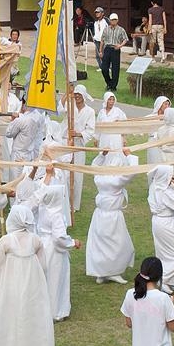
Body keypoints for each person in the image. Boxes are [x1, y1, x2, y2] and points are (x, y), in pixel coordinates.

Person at [0, 205, 56, 346]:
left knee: (11, 318)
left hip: (10, 285)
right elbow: (43, 265)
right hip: (32, 284)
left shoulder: (5, 241)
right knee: (32, 317)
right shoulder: (35, 240)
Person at [87, 148, 138, 284]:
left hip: (100, 215)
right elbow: (132, 171)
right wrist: (129, 155)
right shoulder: (116, 181)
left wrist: (101, 155)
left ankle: (104, 272)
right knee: (117, 243)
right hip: (111, 216)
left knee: (103, 244)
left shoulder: (99, 177)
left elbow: (94, 166)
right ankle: (110, 272)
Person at [37, 166, 81, 321]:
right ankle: (56, 311)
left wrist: (49, 175)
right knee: (56, 279)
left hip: (43, 246)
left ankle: (45, 309)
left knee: (46, 278)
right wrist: (73, 243)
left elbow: (42, 190)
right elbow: (59, 238)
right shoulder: (56, 215)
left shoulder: (43, 207)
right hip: (54, 250)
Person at [121, 256, 174, 346]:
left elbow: (129, 323)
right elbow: (173, 327)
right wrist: (171, 305)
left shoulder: (130, 294)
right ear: (159, 276)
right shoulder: (163, 298)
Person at [147, 165, 174, 293]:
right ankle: (164, 279)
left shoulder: (154, 186)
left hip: (157, 221)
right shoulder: (165, 193)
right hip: (166, 223)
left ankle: (169, 280)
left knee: (164, 253)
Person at [61, 84, 96, 212]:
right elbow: (59, 109)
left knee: (77, 175)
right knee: (64, 172)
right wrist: (67, 93)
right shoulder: (70, 106)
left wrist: (78, 134)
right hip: (66, 142)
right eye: (75, 94)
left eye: (79, 94)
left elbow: (91, 130)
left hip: (79, 144)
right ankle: (64, 202)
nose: (77, 97)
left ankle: (74, 204)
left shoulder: (90, 112)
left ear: (84, 96)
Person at [99, 12, 129, 91]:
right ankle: (109, 83)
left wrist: (120, 45)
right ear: (110, 20)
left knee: (115, 69)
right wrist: (100, 51)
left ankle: (113, 86)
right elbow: (102, 40)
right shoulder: (106, 29)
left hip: (116, 49)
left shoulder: (121, 29)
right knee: (104, 68)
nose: (113, 21)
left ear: (117, 20)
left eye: (115, 20)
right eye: (112, 20)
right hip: (107, 48)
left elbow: (125, 39)